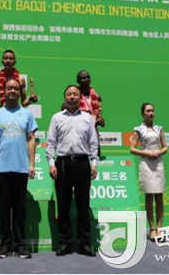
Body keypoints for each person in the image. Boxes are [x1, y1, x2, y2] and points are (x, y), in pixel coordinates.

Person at [0, 78, 37, 259]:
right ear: (4, 91)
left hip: (21, 168)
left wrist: (32, 164)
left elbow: (31, 139)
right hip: (1, 168)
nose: (12, 91)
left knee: (20, 208)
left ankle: (20, 245)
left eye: (15, 88)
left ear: (19, 91)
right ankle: (5, 245)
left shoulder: (27, 114)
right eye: (9, 88)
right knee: (4, 208)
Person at [46, 85, 98, 257]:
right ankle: (65, 243)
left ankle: (84, 244)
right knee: (63, 205)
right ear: (65, 97)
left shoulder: (87, 118)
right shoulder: (56, 118)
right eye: (69, 94)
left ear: (80, 98)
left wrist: (94, 163)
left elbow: (93, 143)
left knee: (83, 205)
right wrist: (51, 163)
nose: (72, 97)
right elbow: (51, 142)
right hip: (63, 163)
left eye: (75, 94)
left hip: (82, 163)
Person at [129, 103, 168, 242]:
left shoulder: (159, 129)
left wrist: (159, 152)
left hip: (158, 164)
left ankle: (160, 228)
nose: (151, 113)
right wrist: (146, 153)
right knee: (149, 197)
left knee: (159, 197)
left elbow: (165, 147)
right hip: (146, 164)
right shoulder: (138, 130)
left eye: (152, 111)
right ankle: (152, 228)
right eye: (148, 111)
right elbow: (132, 148)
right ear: (142, 113)